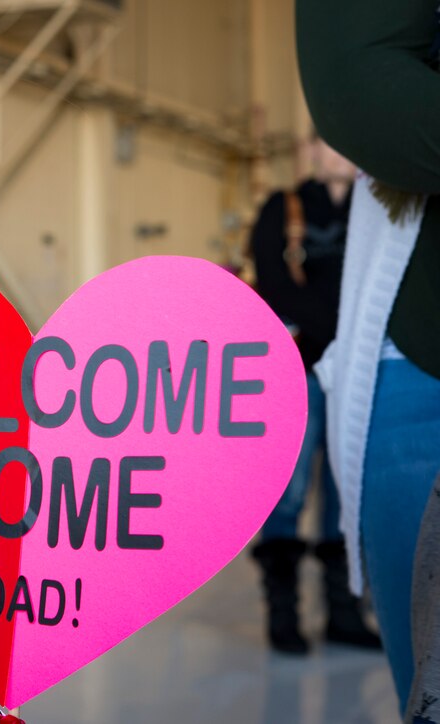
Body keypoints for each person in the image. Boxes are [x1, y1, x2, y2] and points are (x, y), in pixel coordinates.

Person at [297, 0, 440, 718]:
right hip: (382, 353)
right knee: (299, 509)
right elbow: (359, 82)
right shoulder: (287, 210)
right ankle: (311, 614)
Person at [248, 134, 381, 655]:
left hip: (357, 371)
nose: (343, 153)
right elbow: (275, 280)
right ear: (312, 151)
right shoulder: (284, 207)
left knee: (347, 493)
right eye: (332, 143)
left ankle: (343, 615)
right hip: (299, 372)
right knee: (289, 489)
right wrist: (340, 328)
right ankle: (283, 616)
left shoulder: (377, 212)